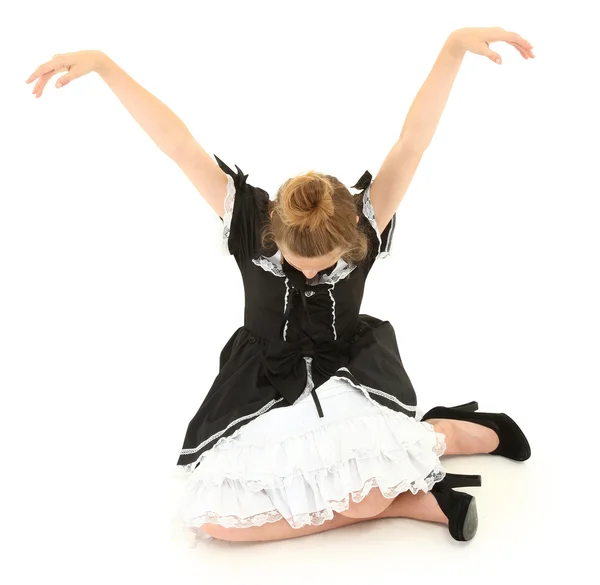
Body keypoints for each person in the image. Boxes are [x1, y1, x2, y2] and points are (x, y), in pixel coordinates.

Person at [26, 26, 535, 544]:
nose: (311, 275)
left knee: (366, 476)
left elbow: (413, 141)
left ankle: (438, 445)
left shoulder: (367, 219)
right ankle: (405, 499)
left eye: (326, 266)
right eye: (298, 263)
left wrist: (451, 50)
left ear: (351, 241)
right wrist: (106, 66)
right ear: (276, 231)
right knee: (219, 525)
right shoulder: (249, 221)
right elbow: (178, 144)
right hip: (264, 380)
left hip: (347, 372)